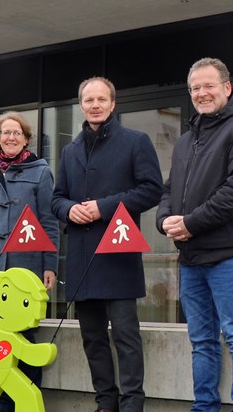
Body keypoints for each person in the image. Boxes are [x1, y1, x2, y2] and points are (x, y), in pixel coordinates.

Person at [156, 58, 233, 412]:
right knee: (202, 340)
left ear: (227, 88)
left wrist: (190, 222)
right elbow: (169, 190)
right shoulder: (186, 141)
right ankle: (204, 407)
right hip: (192, 258)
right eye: (195, 88)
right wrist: (164, 220)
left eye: (208, 86)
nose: (202, 94)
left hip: (231, 255)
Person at [51, 77, 163, 412]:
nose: (95, 105)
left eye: (101, 99)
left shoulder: (135, 141)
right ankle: (106, 403)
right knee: (93, 338)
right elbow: (56, 199)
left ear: (113, 104)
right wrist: (69, 209)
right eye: (89, 100)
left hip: (119, 255)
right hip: (82, 259)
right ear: (81, 105)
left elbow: (151, 190)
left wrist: (104, 206)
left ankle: (132, 404)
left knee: (126, 336)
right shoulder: (70, 150)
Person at [0, 111, 59, 412]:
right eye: (5, 133)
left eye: (17, 133)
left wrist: (50, 264)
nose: (11, 137)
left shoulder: (41, 171)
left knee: (25, 335)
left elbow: (49, 221)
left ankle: (25, 399)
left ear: (26, 138)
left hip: (26, 264)